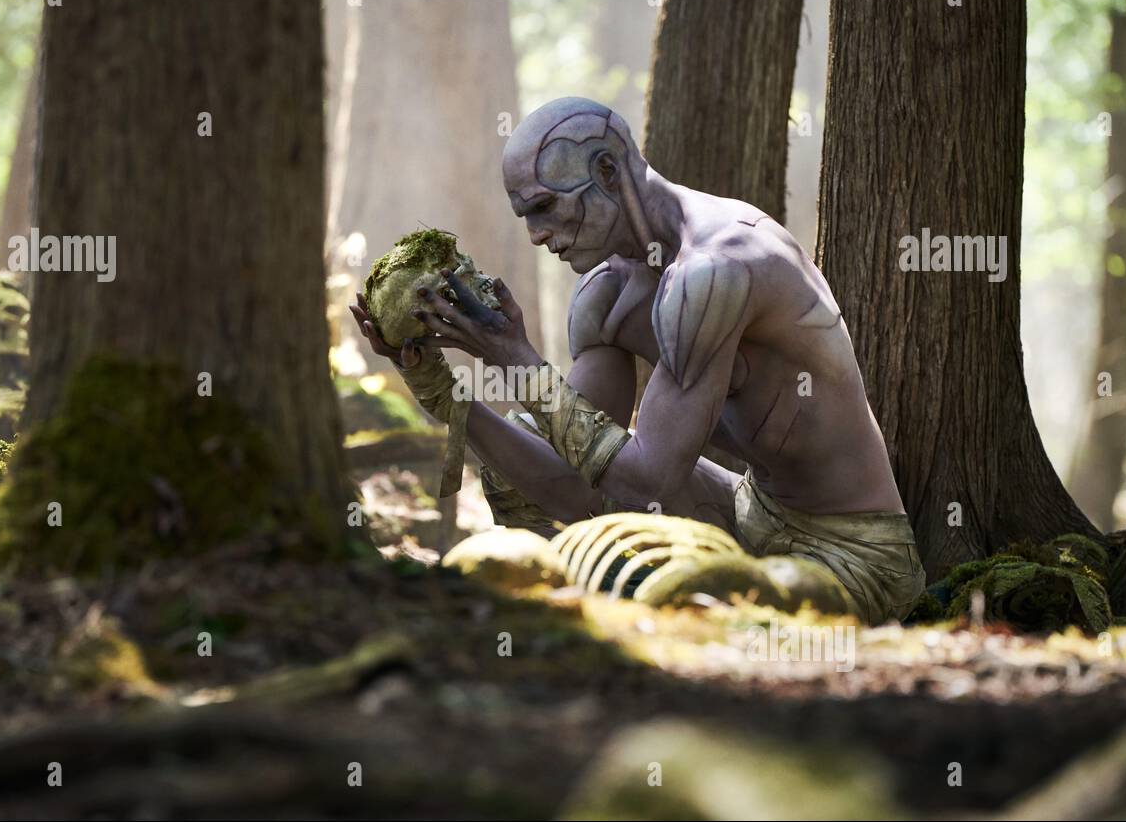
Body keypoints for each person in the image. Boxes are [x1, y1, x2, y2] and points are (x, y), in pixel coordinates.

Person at [351, 97, 923, 624]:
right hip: (748, 516)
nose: (534, 235)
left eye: (546, 206)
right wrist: (440, 389)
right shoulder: (606, 294)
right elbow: (579, 483)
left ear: (607, 171)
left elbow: (644, 482)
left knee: (663, 608)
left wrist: (514, 357)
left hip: (855, 557)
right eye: (524, 214)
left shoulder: (716, 269)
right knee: (523, 468)